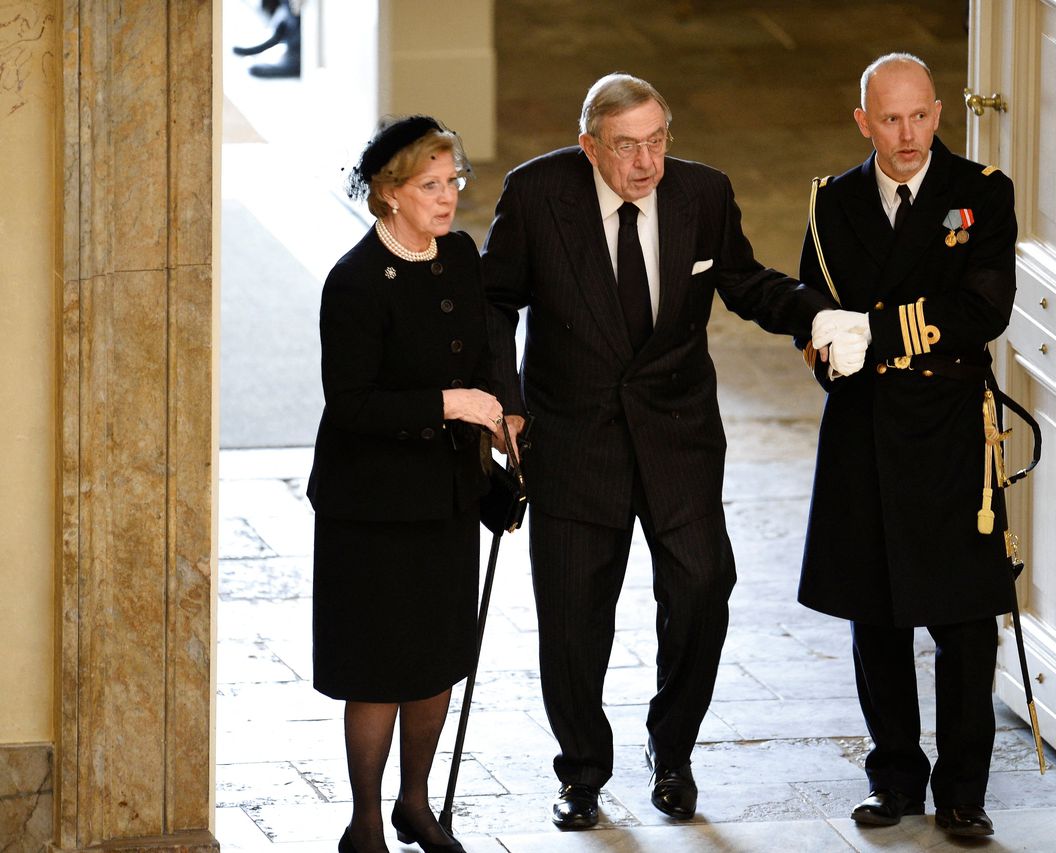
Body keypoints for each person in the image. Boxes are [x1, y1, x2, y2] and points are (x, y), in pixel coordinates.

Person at [482, 72, 836, 829]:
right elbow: (493, 302)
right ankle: (581, 771)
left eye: (657, 141)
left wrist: (815, 313)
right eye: (626, 147)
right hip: (575, 437)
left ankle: (670, 751)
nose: (646, 163)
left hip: (678, 434)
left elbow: (741, 280)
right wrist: (503, 399)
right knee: (575, 618)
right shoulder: (536, 194)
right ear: (589, 146)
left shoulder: (701, 194)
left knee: (704, 587)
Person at [798, 53, 1018, 838]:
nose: (908, 134)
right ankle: (894, 778)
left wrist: (873, 330)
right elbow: (814, 309)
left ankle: (963, 791)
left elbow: (982, 309)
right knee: (876, 615)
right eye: (889, 119)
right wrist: (830, 342)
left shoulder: (981, 194)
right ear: (864, 122)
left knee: (964, 619)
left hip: (950, 424)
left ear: (937, 111)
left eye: (920, 115)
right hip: (865, 426)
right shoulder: (833, 202)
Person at [307, 115, 507, 853]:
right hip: (372, 506)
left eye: (453, 181)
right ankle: (364, 822)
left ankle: (415, 806)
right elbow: (351, 403)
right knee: (380, 668)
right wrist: (451, 405)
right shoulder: (355, 281)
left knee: (436, 661)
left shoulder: (458, 256)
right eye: (431, 184)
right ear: (389, 194)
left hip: (446, 494)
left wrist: (494, 448)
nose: (448, 196)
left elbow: (483, 354)